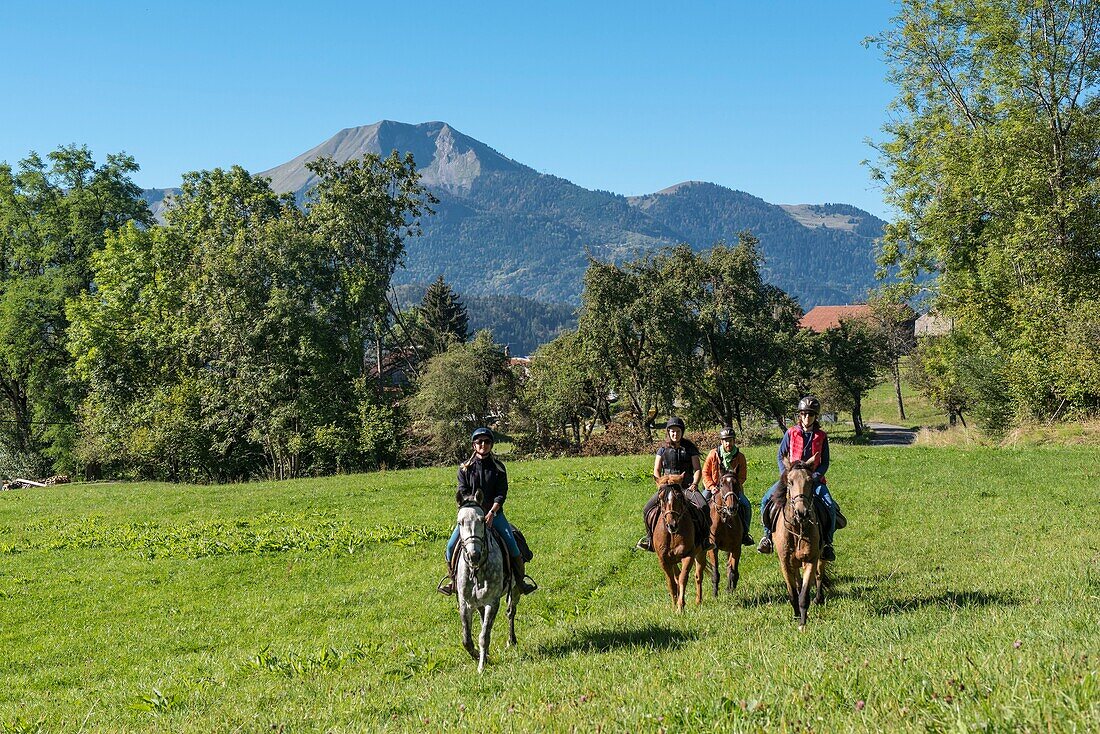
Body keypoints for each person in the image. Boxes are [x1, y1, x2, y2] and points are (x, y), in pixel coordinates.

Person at [438, 428, 537, 596]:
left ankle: (520, 582)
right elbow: (462, 491)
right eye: (479, 442)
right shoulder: (464, 469)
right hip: (471, 517)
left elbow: (501, 493)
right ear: (473, 445)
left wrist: (491, 513)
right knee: (449, 547)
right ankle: (453, 581)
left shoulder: (498, 468)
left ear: (491, 444)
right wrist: (475, 512)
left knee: (513, 546)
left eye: (487, 442)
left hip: (495, 515)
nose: (483, 444)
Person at [756, 396, 842, 561]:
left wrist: (815, 476)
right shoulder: (791, 433)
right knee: (766, 499)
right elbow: (781, 454)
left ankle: (828, 544)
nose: (807, 418)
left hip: (813, 481)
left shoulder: (821, 436)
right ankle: (767, 537)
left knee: (830, 505)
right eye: (804, 414)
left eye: (810, 415)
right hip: (792, 479)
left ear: (815, 417)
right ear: (800, 415)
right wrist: (786, 475)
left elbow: (824, 462)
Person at [636, 417, 711, 552]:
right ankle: (649, 539)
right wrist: (660, 483)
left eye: (677, 431)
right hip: (667, 486)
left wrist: (694, 483)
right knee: (647, 508)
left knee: (704, 507)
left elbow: (697, 469)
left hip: (687, 486)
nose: (675, 434)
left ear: (682, 432)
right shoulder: (662, 450)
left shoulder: (690, 448)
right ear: (668, 433)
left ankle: (705, 540)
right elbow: (656, 470)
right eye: (672, 431)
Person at [701, 426, 754, 546]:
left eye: (730, 440)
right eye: (725, 440)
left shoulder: (740, 457)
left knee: (746, 505)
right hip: (714, 487)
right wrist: (711, 486)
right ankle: (702, 534)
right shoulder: (713, 454)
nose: (728, 443)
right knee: (702, 504)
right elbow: (705, 472)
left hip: (732, 490)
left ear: (734, 441)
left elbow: (742, 476)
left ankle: (745, 533)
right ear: (721, 442)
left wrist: (734, 487)